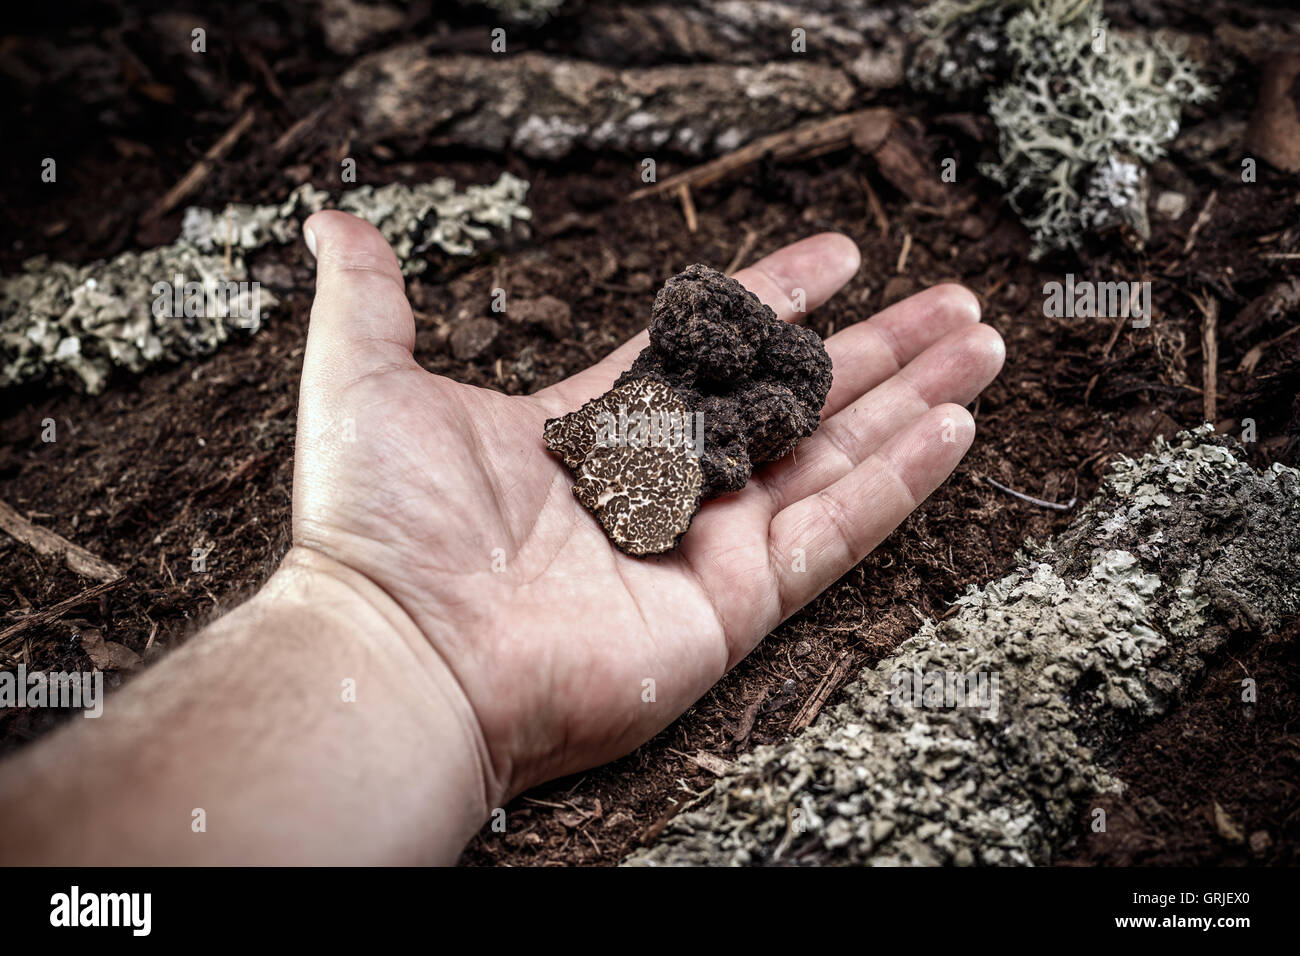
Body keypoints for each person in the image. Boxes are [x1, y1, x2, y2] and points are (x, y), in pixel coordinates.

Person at [0, 211, 1004, 864]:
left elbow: (735, 417)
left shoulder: (719, 412)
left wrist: (375, 633)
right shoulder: (657, 411)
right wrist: (375, 605)